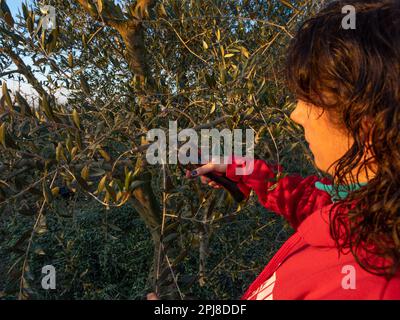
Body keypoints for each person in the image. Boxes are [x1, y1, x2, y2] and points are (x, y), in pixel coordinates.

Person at [185, 0, 400, 300]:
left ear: (368, 124)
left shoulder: (370, 287)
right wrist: (244, 171)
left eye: (310, 99)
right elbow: (315, 203)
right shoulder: (371, 208)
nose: (296, 114)